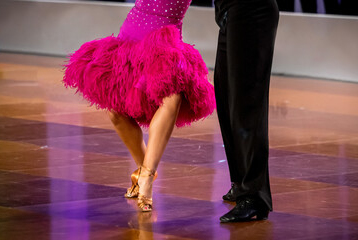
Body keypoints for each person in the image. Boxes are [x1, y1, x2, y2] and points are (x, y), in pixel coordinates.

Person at [63, 0, 215, 212]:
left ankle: (146, 178)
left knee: (172, 97)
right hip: (133, 32)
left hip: (164, 40)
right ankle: (142, 170)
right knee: (116, 111)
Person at [214, 0, 279, 222]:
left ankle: (254, 197)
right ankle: (241, 184)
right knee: (226, 99)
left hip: (250, 8)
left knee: (246, 104)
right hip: (230, 11)